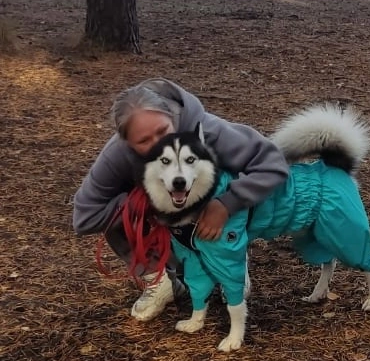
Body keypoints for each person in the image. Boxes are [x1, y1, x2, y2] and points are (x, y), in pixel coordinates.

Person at [73, 77, 290, 322]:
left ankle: (229, 260)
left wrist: (227, 203)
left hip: (216, 212)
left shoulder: (207, 129)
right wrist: (141, 202)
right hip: (161, 218)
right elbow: (84, 216)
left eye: (163, 131)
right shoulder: (118, 155)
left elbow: (273, 165)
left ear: (172, 118)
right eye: (144, 141)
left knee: (210, 178)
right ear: (128, 143)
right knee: (121, 210)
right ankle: (158, 279)